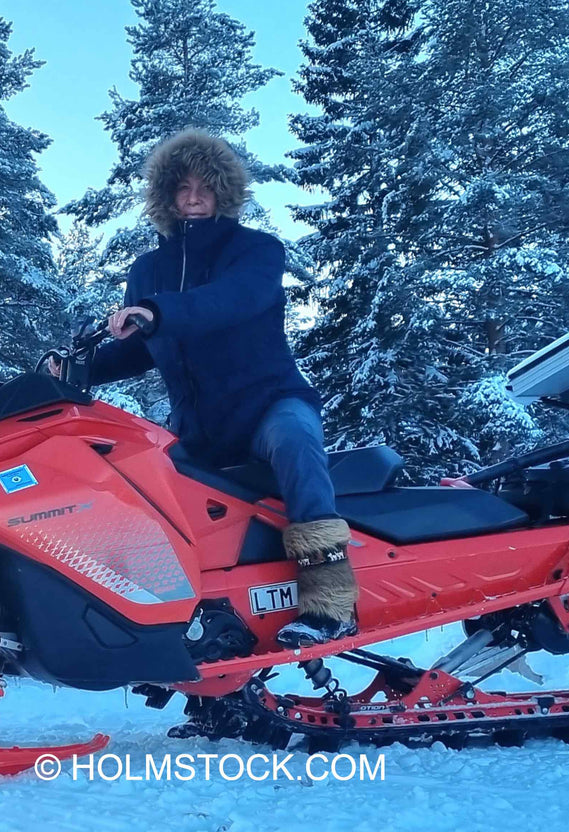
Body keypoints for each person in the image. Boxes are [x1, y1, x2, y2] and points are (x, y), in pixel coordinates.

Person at [49, 129, 356, 647]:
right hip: (196, 426)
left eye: (205, 188)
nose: (193, 198)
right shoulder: (148, 269)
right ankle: (182, 621)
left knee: (297, 444)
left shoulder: (255, 252)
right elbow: (140, 347)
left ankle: (330, 603)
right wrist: (77, 371)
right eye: (182, 188)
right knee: (140, 491)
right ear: (165, 195)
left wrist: (158, 311)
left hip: (268, 405)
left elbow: (232, 300)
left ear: (225, 192)